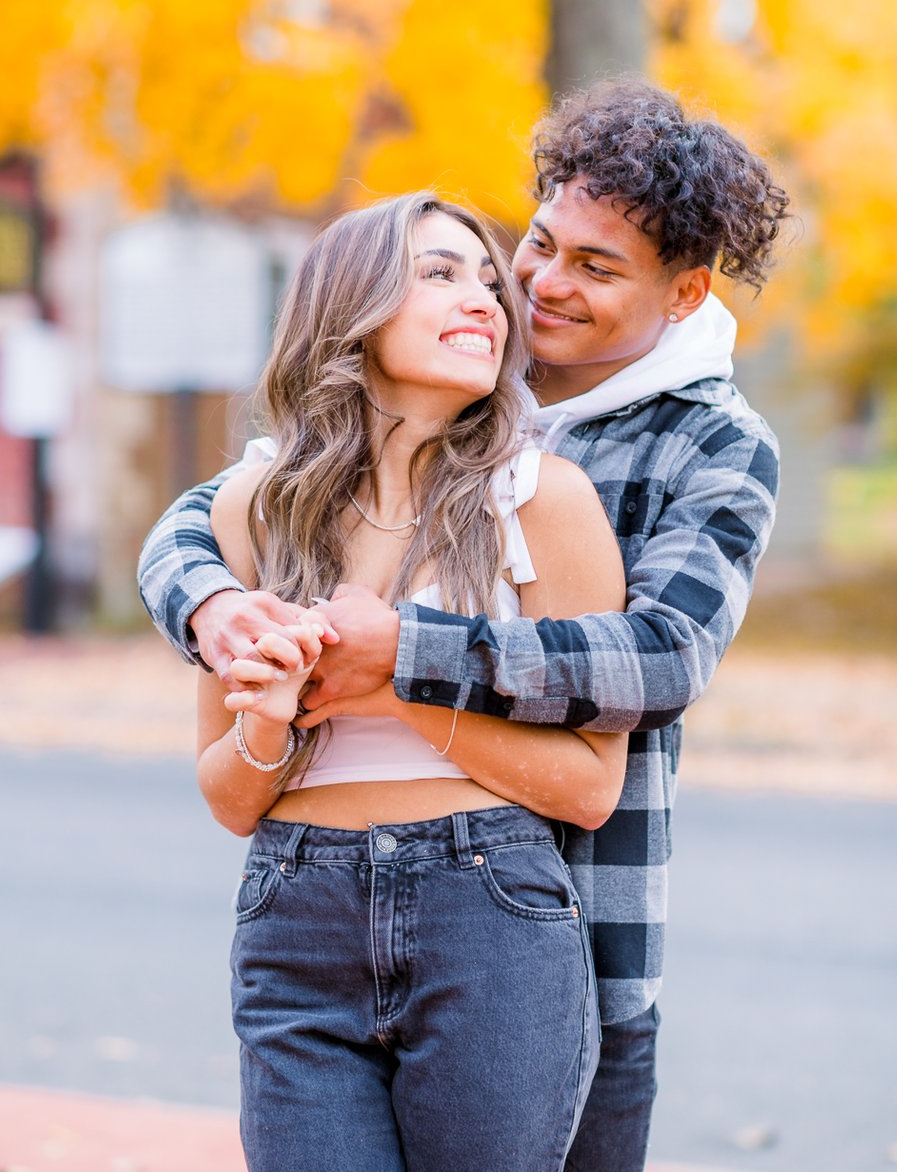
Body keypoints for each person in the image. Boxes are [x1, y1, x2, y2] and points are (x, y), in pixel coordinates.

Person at [139, 76, 789, 1172]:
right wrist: (214, 610)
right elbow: (198, 525)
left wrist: (404, 663)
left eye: (594, 268)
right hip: (306, 902)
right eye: (532, 246)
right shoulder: (464, 358)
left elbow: (661, 657)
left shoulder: (704, 445)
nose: (534, 285)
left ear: (681, 297)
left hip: (565, 915)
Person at [190, 191, 629, 1172]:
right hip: (294, 912)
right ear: (348, 306)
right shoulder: (255, 508)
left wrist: (395, 687)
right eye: (439, 272)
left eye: (488, 280)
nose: (485, 298)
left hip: (491, 916)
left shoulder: (542, 502)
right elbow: (227, 797)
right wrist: (267, 721)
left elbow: (592, 789)